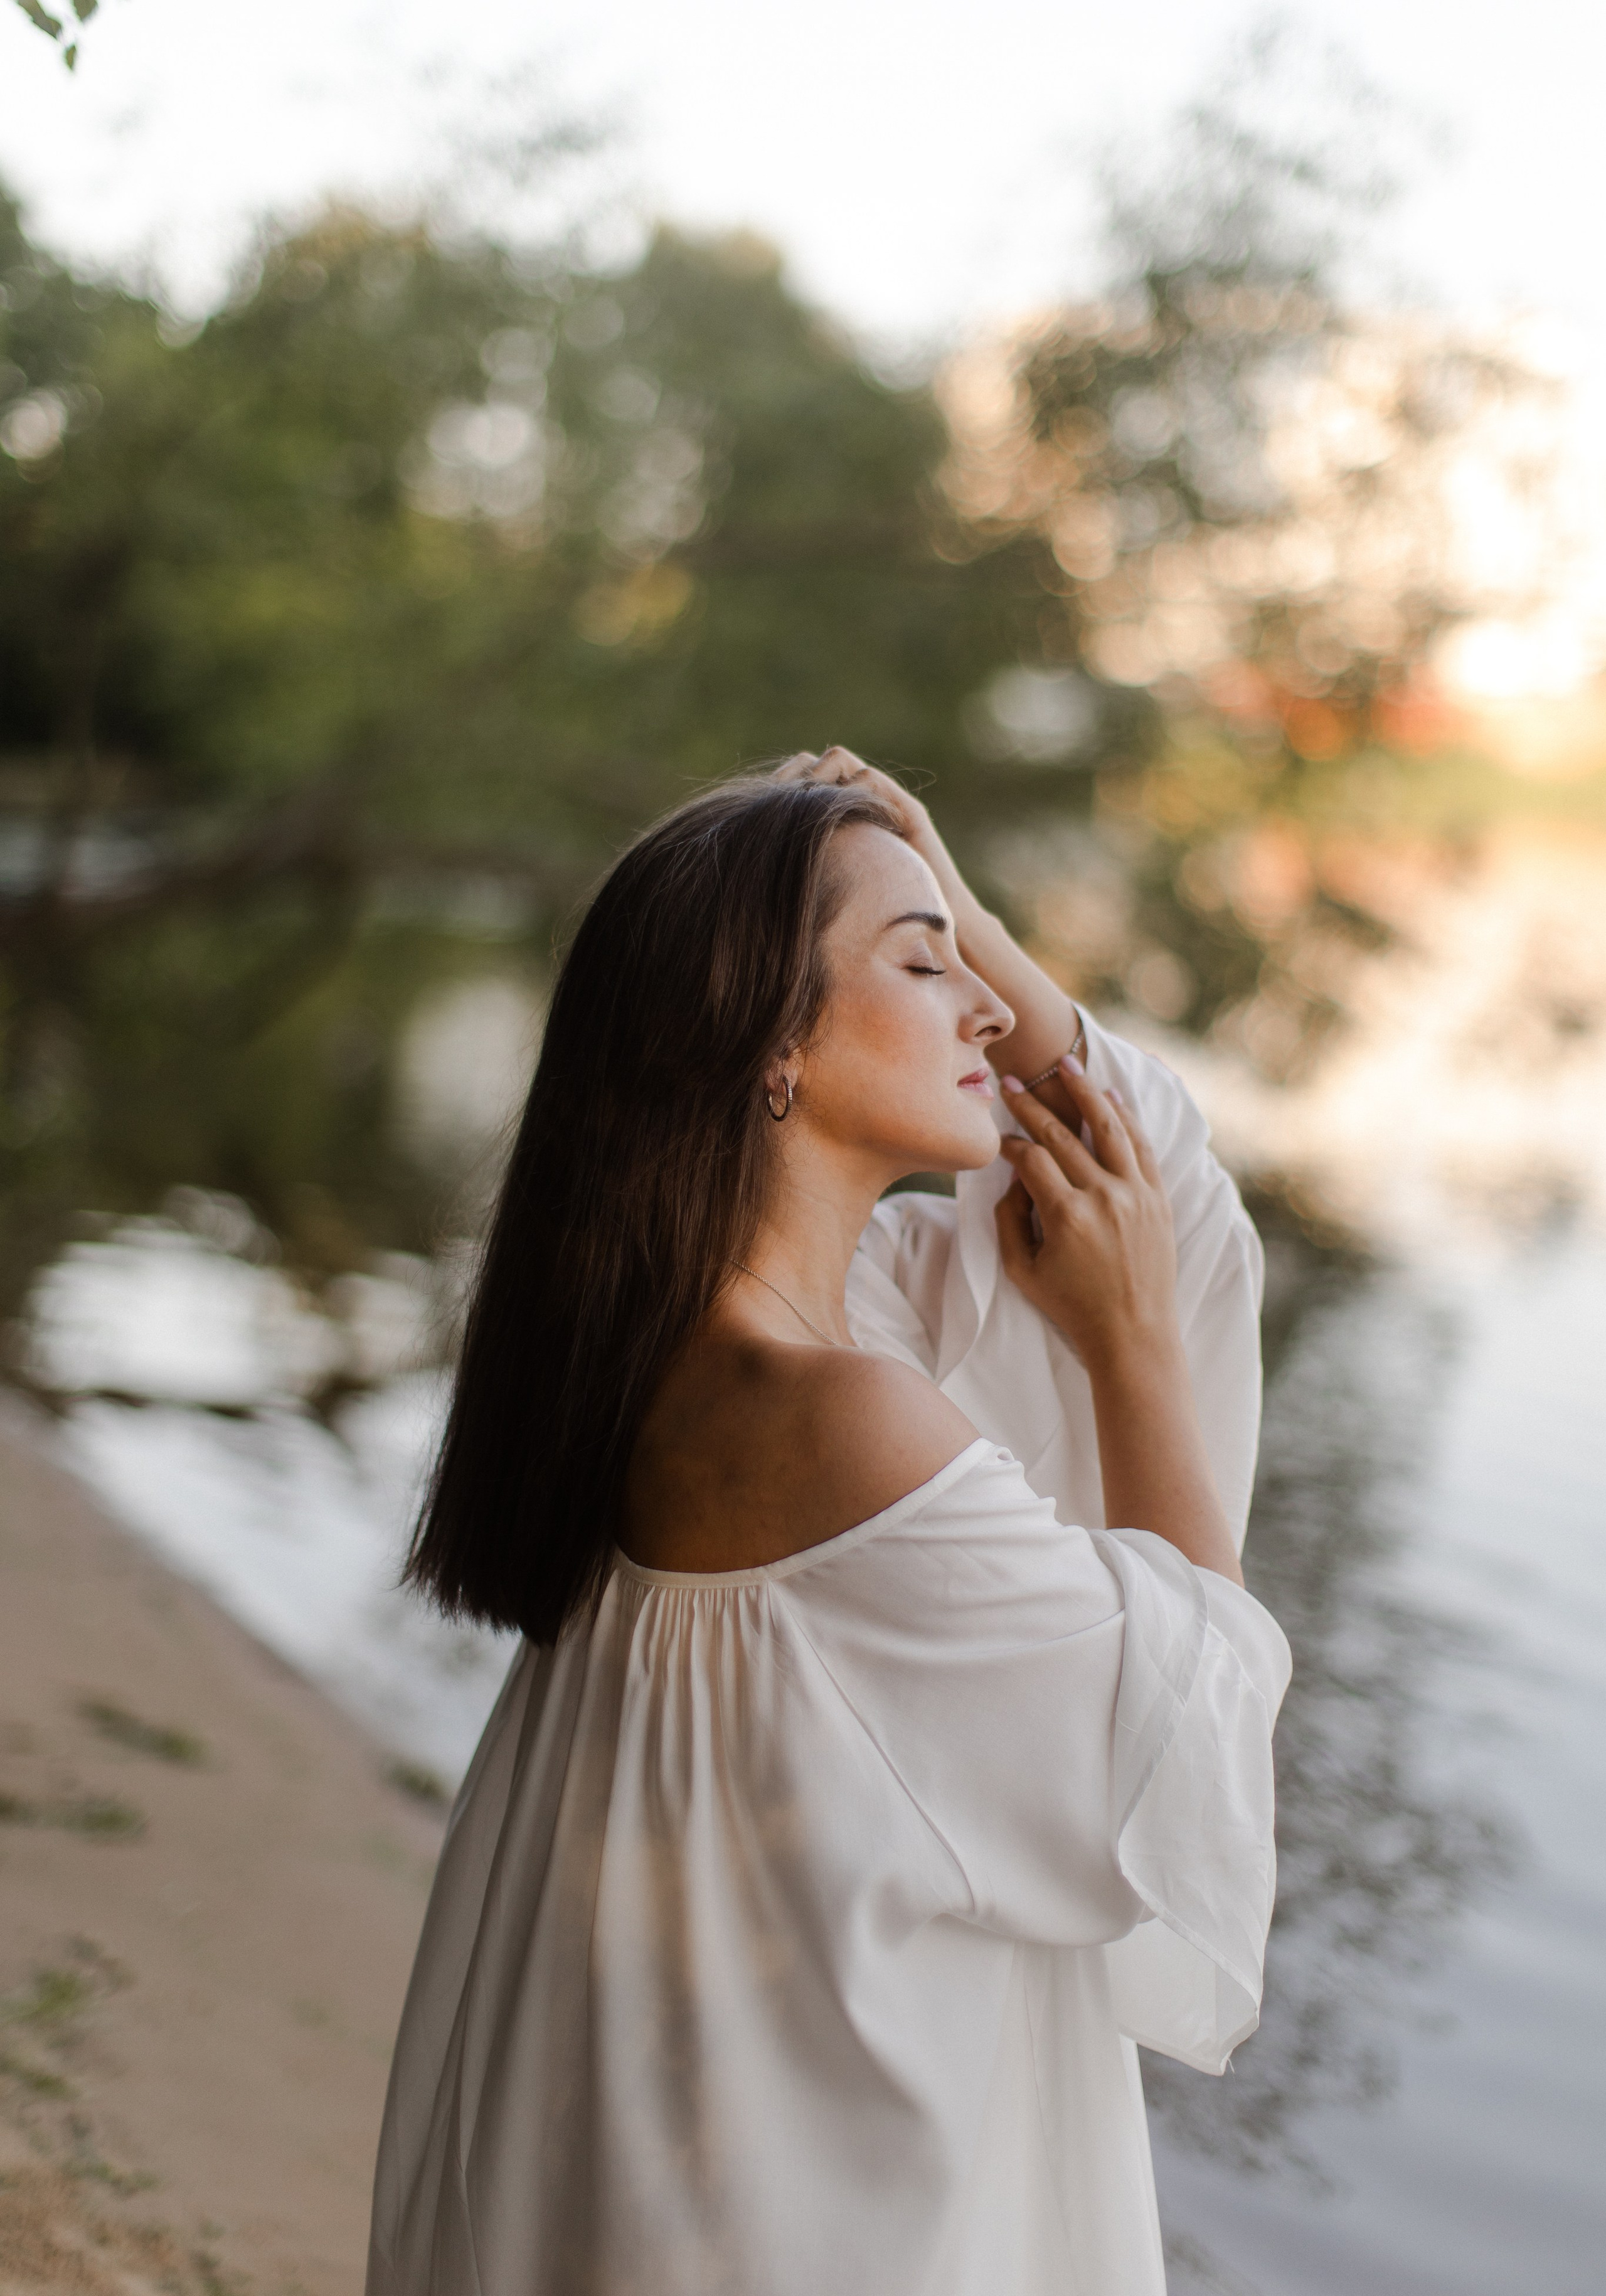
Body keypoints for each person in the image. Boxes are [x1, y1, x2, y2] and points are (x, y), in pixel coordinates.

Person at [368, 749, 1290, 2296]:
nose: (988, 1007)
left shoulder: (686, 1334)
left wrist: (948, 898)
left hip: (676, 2145)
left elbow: (1155, 1179)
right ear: (767, 1043)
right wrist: (1129, 1352)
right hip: (805, 2197)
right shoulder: (839, 1416)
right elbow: (1185, 1727)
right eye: (927, 967)